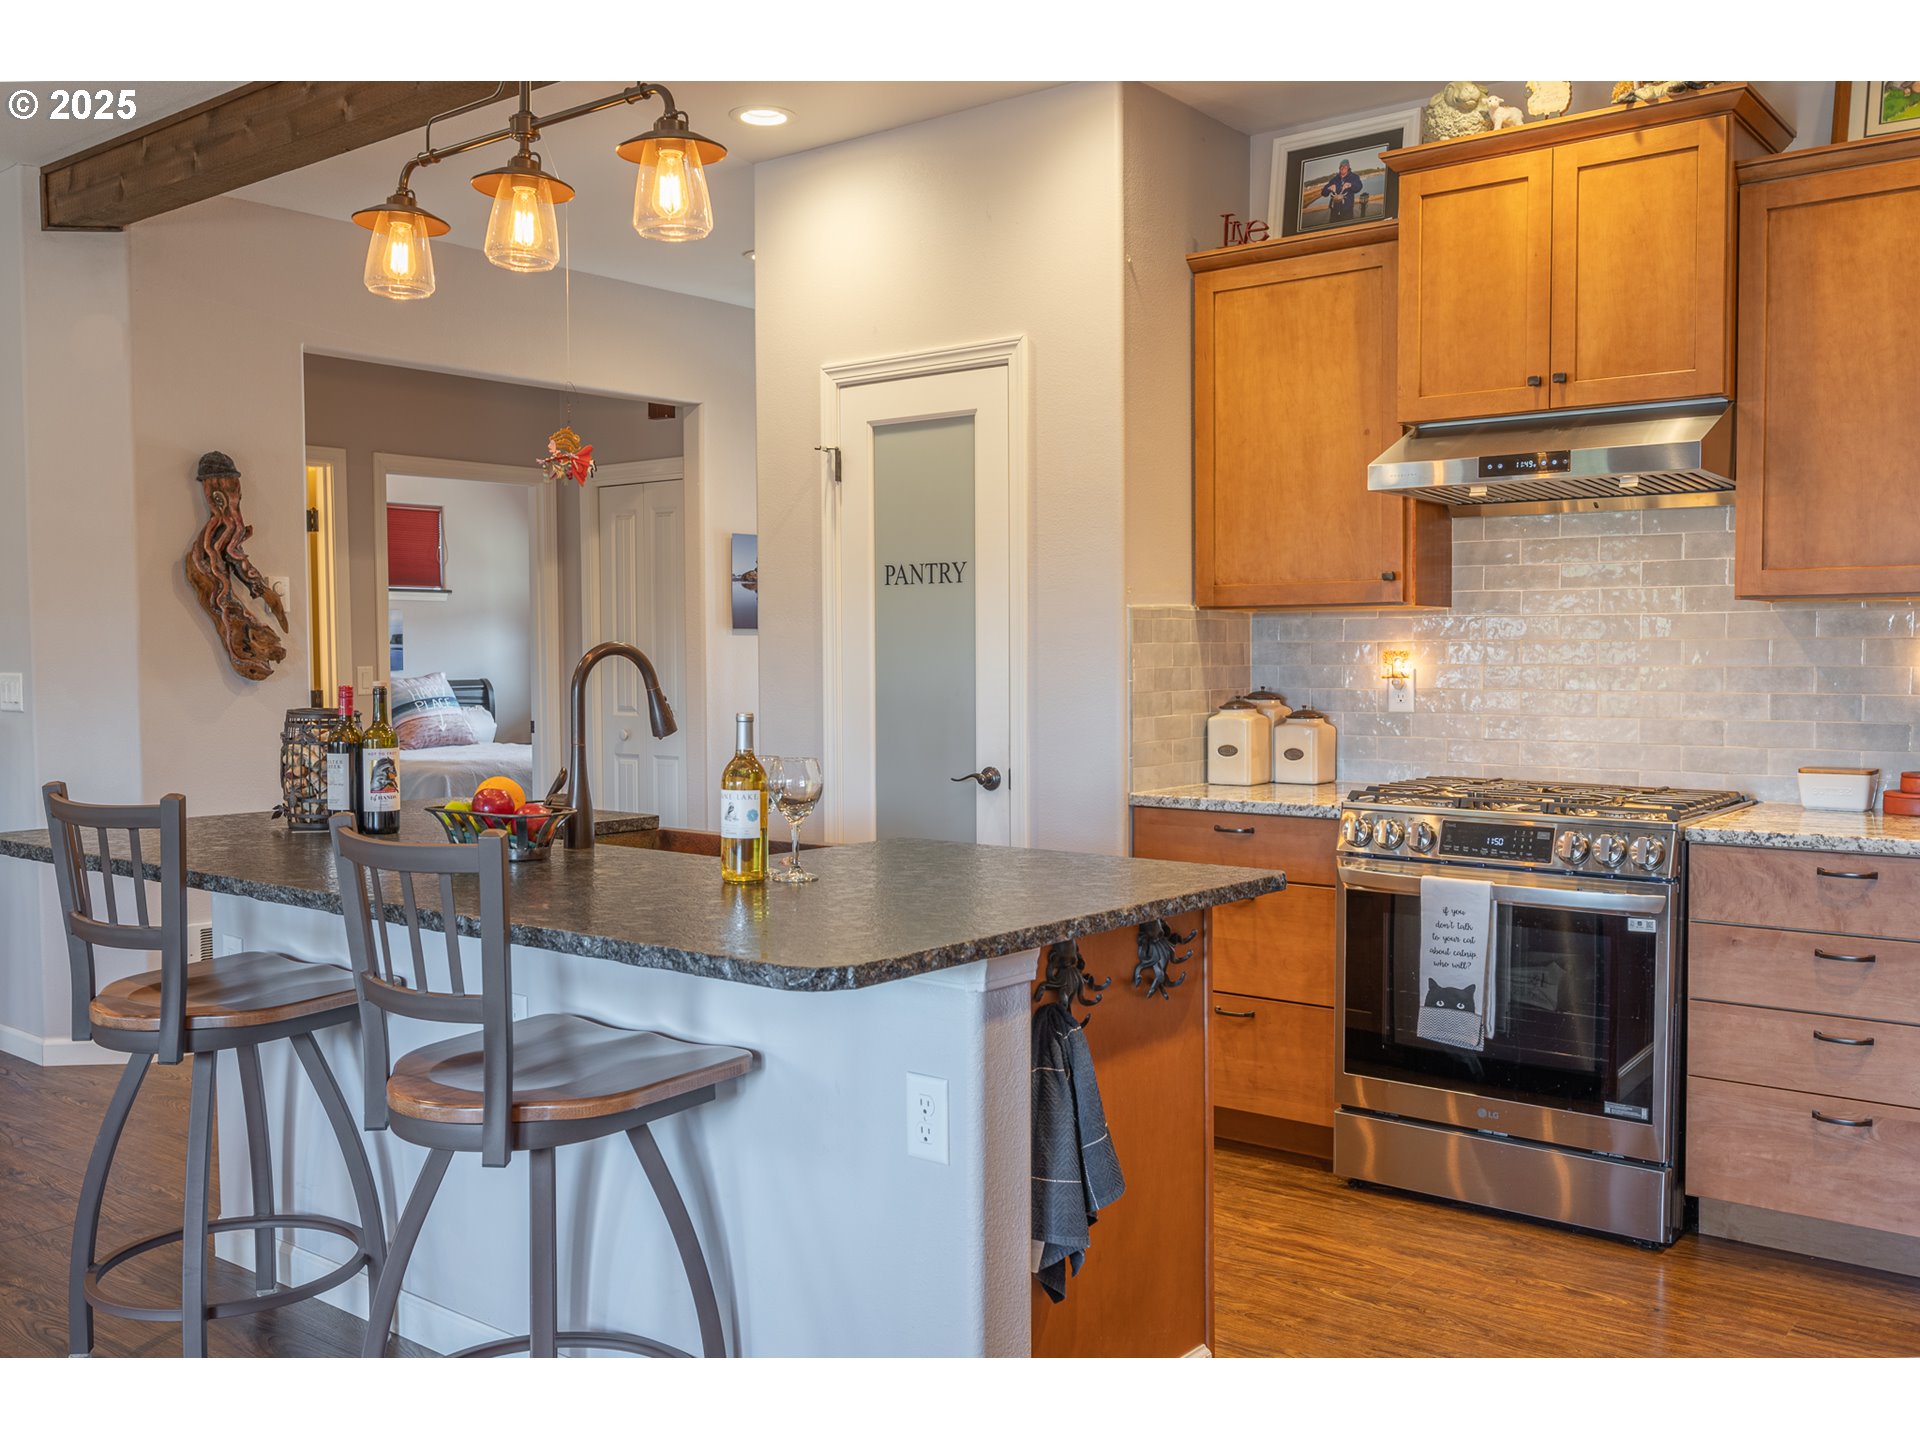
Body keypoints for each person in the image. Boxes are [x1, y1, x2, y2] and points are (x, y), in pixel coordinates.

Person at [1319, 159, 1365, 224]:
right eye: (1341, 166)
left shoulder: (1354, 177)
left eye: (1345, 166)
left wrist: (1351, 185)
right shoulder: (1334, 179)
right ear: (1339, 167)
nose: (1343, 168)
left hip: (1347, 211)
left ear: (1348, 167)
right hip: (1334, 212)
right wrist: (1329, 188)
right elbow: (1324, 193)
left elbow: (1359, 187)